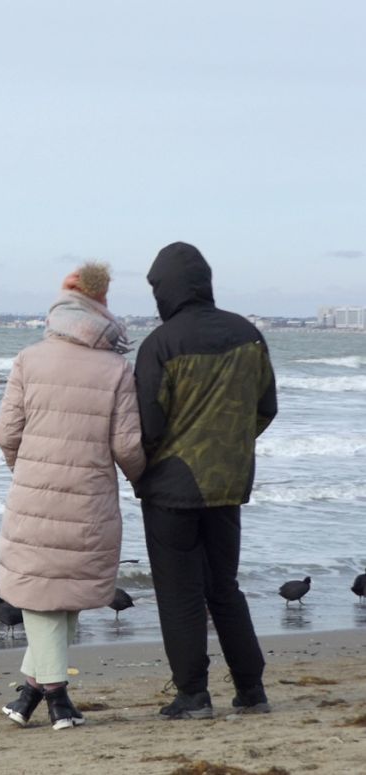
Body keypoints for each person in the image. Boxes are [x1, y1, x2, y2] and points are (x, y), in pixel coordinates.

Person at [0, 262, 145, 730]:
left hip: (33, 494)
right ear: (102, 305)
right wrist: (141, 481)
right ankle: (58, 698)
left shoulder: (29, 358)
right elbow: (127, 445)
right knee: (61, 594)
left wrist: (25, 470)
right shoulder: (117, 367)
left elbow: (6, 433)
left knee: (46, 594)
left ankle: (30, 696)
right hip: (90, 497)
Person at [134, 242, 277, 720]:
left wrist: (147, 470)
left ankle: (193, 694)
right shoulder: (248, 335)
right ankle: (251, 689)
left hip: (172, 491)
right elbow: (265, 409)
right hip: (228, 485)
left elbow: (149, 428)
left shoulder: (161, 344)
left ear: (165, 290)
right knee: (224, 587)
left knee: (179, 593)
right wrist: (230, 448)